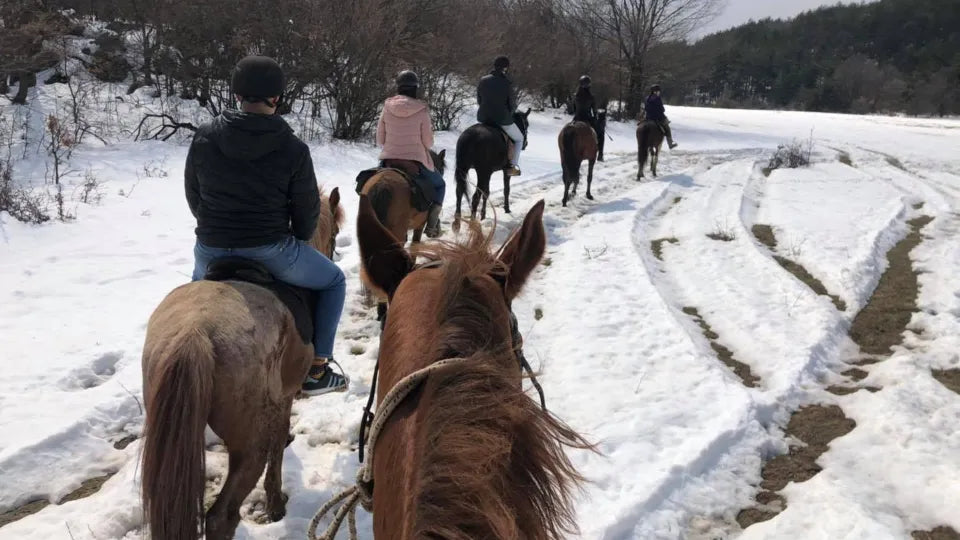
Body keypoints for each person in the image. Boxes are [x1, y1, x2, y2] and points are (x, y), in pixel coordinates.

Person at [184, 55, 348, 396]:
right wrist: (299, 239)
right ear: (277, 97)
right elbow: (305, 213)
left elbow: (194, 195)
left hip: (210, 250)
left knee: (190, 310)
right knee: (334, 281)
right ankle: (318, 368)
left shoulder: (204, 136)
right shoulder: (292, 148)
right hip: (270, 249)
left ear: (237, 93)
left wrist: (215, 228)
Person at [375, 70, 445, 238]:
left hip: (389, 160)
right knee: (440, 185)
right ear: (415, 88)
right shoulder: (422, 110)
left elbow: (380, 139)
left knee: (371, 183)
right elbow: (428, 143)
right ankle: (432, 225)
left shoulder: (386, 107)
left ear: (398, 87)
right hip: (415, 161)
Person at [477, 55, 523, 176]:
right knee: (519, 139)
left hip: (484, 117)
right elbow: (512, 105)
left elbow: (479, 99)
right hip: (501, 118)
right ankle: (512, 167)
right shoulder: (507, 83)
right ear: (506, 68)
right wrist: (509, 114)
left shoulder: (483, 80)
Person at [644, 84, 678, 149]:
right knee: (667, 128)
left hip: (648, 118)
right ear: (656, 91)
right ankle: (670, 144)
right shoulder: (657, 98)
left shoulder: (646, 98)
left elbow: (646, 108)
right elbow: (662, 109)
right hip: (658, 118)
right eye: (658, 91)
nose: (659, 93)